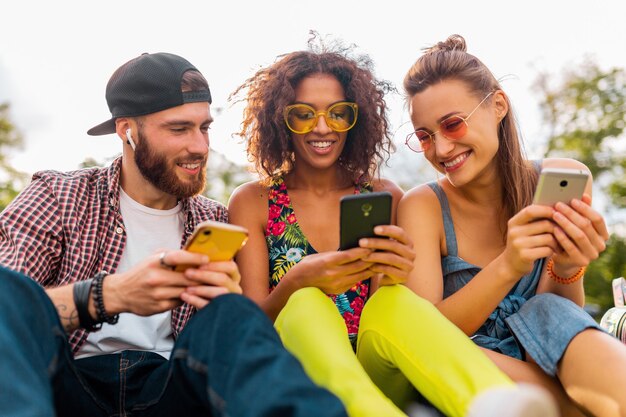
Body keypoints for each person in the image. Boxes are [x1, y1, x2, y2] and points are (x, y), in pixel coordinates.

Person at [0, 52, 349, 417]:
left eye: (204, 128)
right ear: (127, 130)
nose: (200, 147)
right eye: (179, 129)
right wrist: (109, 295)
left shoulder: (214, 219)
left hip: (171, 388)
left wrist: (224, 301)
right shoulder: (60, 196)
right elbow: (8, 308)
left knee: (232, 311)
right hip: (66, 385)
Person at [227, 37, 558, 417]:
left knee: (394, 301)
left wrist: (392, 275)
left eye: (338, 113)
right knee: (306, 303)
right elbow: (247, 331)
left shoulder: (384, 195)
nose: (322, 127)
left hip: (377, 368)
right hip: (293, 371)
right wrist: (296, 282)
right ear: (280, 120)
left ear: (357, 118)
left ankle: (492, 405)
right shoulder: (254, 201)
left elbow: (393, 320)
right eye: (303, 114)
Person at [398, 34, 626, 417]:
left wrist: (568, 267)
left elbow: (558, 311)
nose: (440, 150)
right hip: (471, 358)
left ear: (498, 105)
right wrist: (510, 265)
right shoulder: (422, 206)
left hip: (557, 344)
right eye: (425, 137)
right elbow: (423, 338)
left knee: (555, 320)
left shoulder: (563, 178)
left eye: (452, 125)